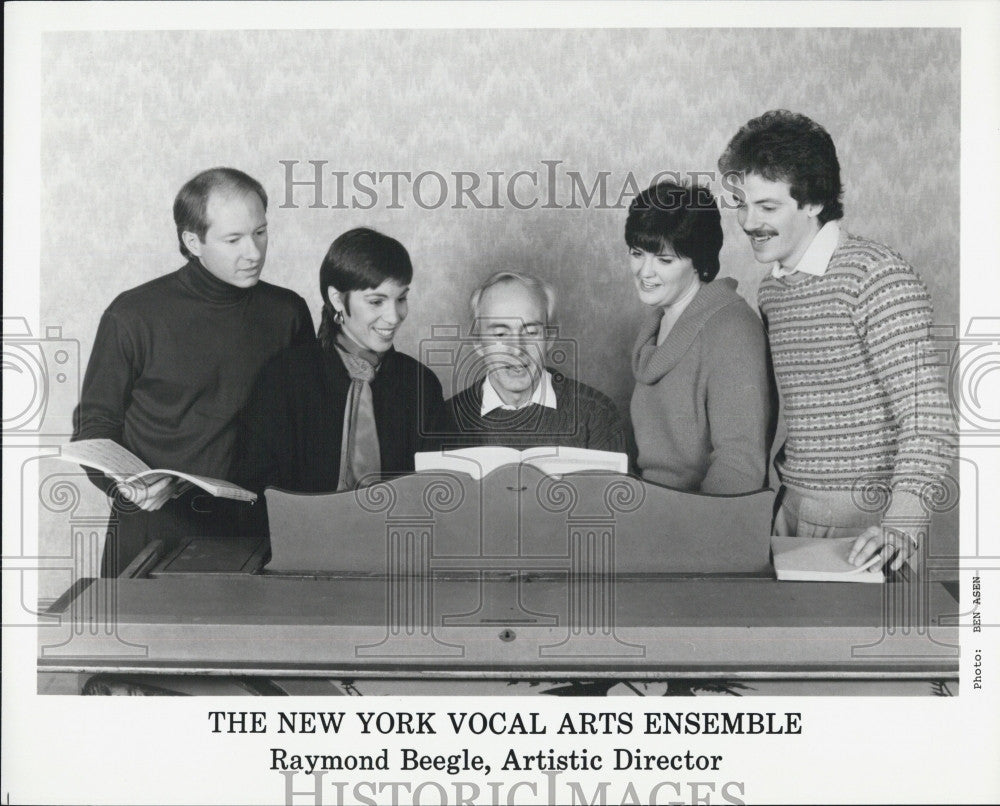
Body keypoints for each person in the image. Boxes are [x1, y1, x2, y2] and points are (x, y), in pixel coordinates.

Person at [717, 109, 956, 570]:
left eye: (767, 207)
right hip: (789, 508)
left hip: (866, 523)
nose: (747, 223)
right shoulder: (773, 289)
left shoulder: (877, 275)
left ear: (812, 201)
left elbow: (928, 416)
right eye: (741, 205)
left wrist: (902, 523)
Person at [72, 167, 314, 576]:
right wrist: (125, 483)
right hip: (152, 531)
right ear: (192, 241)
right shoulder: (132, 314)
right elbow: (96, 423)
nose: (254, 252)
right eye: (233, 239)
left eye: (260, 232)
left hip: (255, 532)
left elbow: (307, 423)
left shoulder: (287, 312)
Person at [237, 227, 451, 497]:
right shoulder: (284, 378)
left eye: (402, 299)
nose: (394, 316)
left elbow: (437, 491)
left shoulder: (422, 385)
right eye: (376, 301)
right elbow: (257, 488)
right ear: (337, 299)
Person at [626, 180, 776, 494]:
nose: (645, 272)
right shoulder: (657, 320)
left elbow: (739, 464)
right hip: (649, 509)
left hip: (699, 520)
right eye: (637, 253)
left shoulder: (731, 327)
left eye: (664, 260)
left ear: (700, 262)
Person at [445, 271, 628, 452]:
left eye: (531, 333)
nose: (517, 349)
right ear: (478, 343)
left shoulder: (596, 414)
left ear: (549, 338)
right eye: (500, 334)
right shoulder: (446, 418)